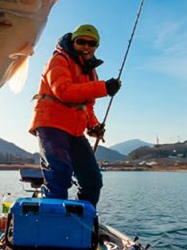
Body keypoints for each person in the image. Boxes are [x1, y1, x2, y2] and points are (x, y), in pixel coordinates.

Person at [29, 24, 121, 208]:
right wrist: (103, 87)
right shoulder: (58, 60)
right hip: (51, 124)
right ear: (73, 41)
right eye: (81, 42)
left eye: (92, 43)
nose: (86, 46)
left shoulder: (91, 71)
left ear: (96, 47)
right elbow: (63, 91)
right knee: (59, 174)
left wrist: (93, 126)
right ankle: (52, 227)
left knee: (92, 180)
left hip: (75, 131)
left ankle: (79, 222)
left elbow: (87, 105)